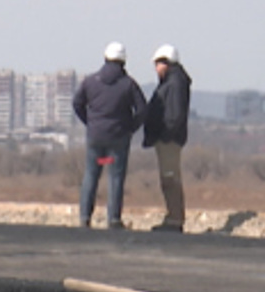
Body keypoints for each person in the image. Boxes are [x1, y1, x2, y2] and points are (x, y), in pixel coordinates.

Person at [72, 42, 148, 229]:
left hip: (96, 138)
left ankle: (84, 217)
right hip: (118, 139)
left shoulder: (90, 81)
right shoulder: (128, 84)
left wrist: (90, 123)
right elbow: (142, 110)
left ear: (105, 57)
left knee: (91, 174)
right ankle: (113, 219)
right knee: (115, 177)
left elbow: (77, 103)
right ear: (124, 61)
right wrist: (130, 128)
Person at [142, 45, 192, 232]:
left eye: (159, 64)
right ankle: (173, 216)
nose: (156, 68)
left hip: (169, 139)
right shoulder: (171, 82)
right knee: (167, 178)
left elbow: (175, 114)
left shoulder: (175, 84)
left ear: (167, 63)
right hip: (166, 137)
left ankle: (175, 219)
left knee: (170, 178)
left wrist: (165, 134)